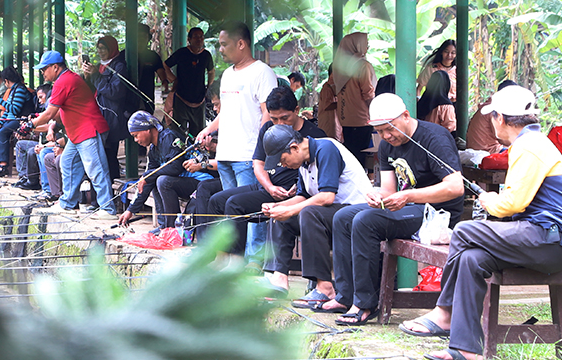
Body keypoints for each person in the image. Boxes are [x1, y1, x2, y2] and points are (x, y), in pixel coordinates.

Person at [407, 86, 562, 360]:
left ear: (499, 118)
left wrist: (489, 200)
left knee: (465, 231)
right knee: (471, 257)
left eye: (492, 118)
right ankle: (466, 348)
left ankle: (444, 312)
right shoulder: (527, 144)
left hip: (553, 238)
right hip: (541, 237)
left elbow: (511, 204)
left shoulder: (529, 146)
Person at [322, 93, 465, 325]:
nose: (387, 136)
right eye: (380, 132)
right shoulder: (388, 145)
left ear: (406, 116)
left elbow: (456, 187)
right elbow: (388, 189)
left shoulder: (433, 138)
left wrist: (408, 195)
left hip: (436, 214)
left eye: (390, 129)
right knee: (344, 217)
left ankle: (366, 304)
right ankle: (345, 295)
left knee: (365, 222)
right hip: (408, 207)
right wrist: (376, 195)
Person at [198, 87, 324, 257]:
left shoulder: (315, 135)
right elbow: (258, 163)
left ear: (296, 110)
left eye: (284, 118)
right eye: (274, 119)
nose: (279, 124)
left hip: (289, 192)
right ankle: (217, 258)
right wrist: (269, 186)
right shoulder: (267, 129)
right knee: (216, 201)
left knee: (235, 204)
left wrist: (293, 189)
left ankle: (235, 264)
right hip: (267, 186)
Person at [257, 124, 370, 304]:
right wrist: (278, 207)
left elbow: (326, 197)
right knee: (280, 216)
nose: (283, 165)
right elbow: (303, 196)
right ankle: (278, 278)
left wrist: (289, 210)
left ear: (294, 148)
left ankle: (325, 288)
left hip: (356, 214)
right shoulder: (303, 161)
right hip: (332, 215)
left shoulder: (326, 148)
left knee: (308, 213)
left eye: (282, 160)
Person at [195, 22, 278, 193]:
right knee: (231, 211)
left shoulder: (262, 72)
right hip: (224, 155)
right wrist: (207, 130)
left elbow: (268, 113)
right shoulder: (227, 74)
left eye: (224, 44)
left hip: (248, 157)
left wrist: (259, 153)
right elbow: (226, 111)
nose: (220, 49)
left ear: (241, 44)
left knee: (248, 212)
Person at [32, 51, 116, 215]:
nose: (42, 72)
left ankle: (108, 208)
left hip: (88, 130)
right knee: (68, 163)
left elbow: (49, 114)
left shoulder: (64, 81)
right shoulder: (64, 79)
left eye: (44, 69)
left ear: (55, 67)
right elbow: (56, 114)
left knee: (96, 169)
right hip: (77, 133)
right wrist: (36, 121)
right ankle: (67, 203)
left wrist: (31, 124)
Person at [117, 111, 188, 228]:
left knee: (162, 181)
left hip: (195, 181)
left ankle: (171, 228)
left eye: (136, 135)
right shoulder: (154, 151)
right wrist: (130, 210)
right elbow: (147, 180)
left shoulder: (168, 137)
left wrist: (148, 175)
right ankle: (163, 226)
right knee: (154, 180)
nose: (135, 140)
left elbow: (176, 167)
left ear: (147, 129)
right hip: (178, 184)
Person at [318, 32, 376, 167]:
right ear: (357, 46)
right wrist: (374, 111)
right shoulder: (362, 66)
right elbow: (367, 92)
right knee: (361, 157)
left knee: (350, 155)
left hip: (345, 118)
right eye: (365, 44)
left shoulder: (340, 67)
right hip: (362, 118)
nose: (367, 47)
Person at [85, 35, 134, 180]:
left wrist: (95, 76)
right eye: (98, 48)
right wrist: (88, 77)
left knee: (110, 154)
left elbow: (114, 92)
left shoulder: (119, 66)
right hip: (98, 115)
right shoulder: (100, 65)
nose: (100, 51)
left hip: (112, 116)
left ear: (111, 48)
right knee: (101, 155)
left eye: (103, 48)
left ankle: (112, 188)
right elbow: (93, 90)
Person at [163, 26, 216, 140]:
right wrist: (173, 79)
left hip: (199, 99)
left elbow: (211, 71)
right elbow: (165, 65)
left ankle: (195, 155)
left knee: (198, 133)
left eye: (201, 37)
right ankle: (178, 155)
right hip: (182, 98)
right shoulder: (182, 53)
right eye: (196, 37)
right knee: (178, 132)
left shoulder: (206, 55)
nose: (199, 39)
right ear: (189, 39)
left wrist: (209, 86)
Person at [0, 66, 35, 177]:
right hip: (11, 119)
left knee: (3, 132)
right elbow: (8, 111)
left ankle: (3, 165)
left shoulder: (20, 90)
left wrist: (0, 101)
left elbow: (15, 109)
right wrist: (0, 122)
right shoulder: (12, 90)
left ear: (6, 81)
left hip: (20, 119)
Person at [465, 80, 516, 154]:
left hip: (480, 149)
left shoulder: (490, 106)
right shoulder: (494, 110)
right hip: (485, 151)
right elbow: (503, 139)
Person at [134, 23, 168, 114]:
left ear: (148, 39)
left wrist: (164, 81)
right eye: (138, 36)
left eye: (143, 36)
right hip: (130, 96)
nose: (141, 39)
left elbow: (160, 70)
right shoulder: (125, 54)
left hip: (147, 94)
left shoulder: (152, 56)